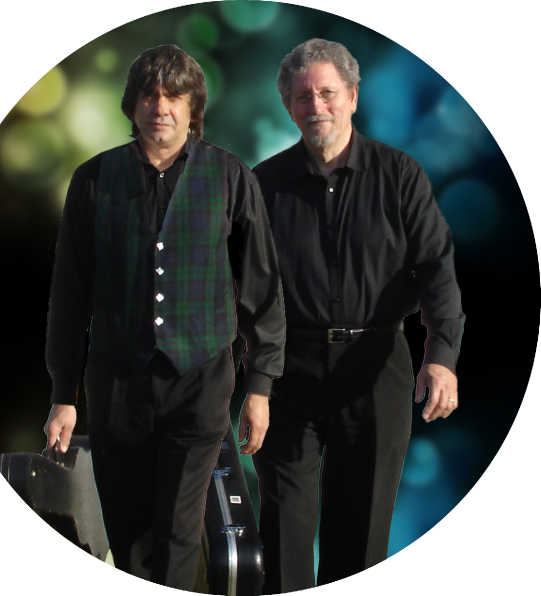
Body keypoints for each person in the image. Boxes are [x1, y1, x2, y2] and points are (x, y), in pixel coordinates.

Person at [43, 45, 285, 591]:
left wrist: (261, 385)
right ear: (133, 105)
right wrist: (63, 393)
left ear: (193, 107)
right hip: (116, 381)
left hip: (200, 381)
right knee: (128, 529)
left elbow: (262, 289)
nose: (161, 107)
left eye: (174, 96)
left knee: (178, 529)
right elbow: (69, 294)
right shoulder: (93, 179)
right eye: (150, 96)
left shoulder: (230, 176)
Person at [252, 39, 465, 592]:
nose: (316, 106)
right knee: (283, 530)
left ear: (352, 96)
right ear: (287, 106)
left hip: (376, 367)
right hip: (286, 374)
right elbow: (239, 287)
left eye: (327, 93)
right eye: (303, 97)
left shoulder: (400, 175)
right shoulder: (263, 185)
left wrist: (441, 357)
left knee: (362, 535)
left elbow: (436, 268)